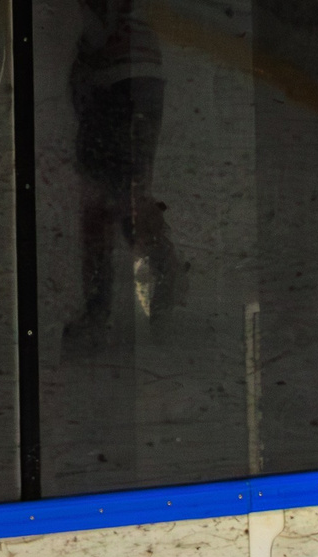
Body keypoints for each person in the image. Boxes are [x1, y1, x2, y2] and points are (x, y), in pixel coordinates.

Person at [64, 0, 183, 350]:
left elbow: (98, 26)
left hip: (116, 82)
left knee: (100, 201)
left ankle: (98, 313)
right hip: (139, 77)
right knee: (125, 194)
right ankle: (163, 269)